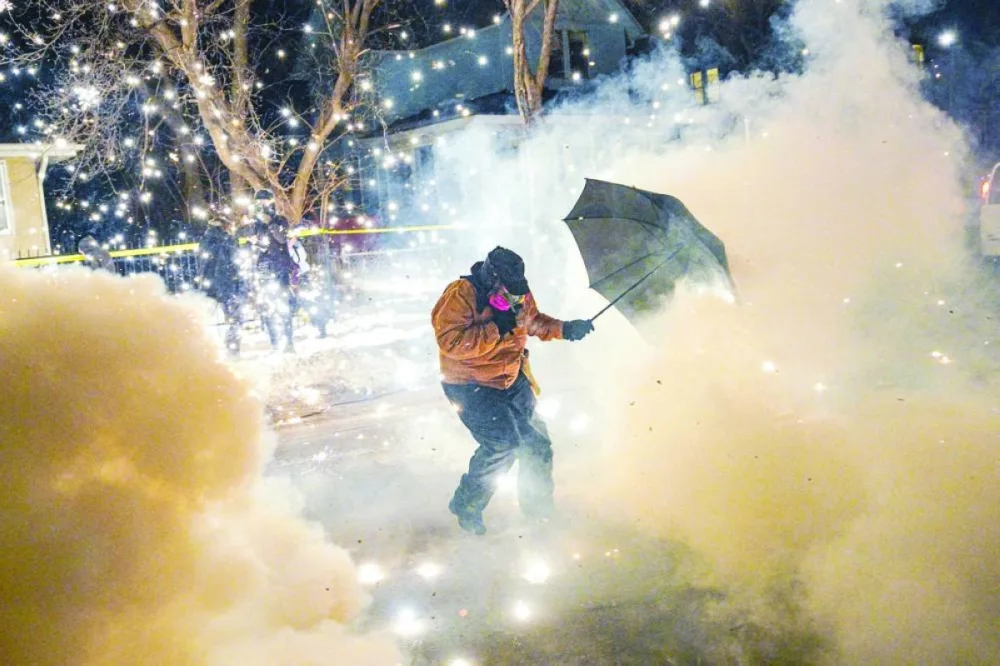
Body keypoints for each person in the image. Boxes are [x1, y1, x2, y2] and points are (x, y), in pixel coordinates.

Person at [431, 246, 595, 535]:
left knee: (537, 445)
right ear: (492, 280)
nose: (516, 297)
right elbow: (452, 344)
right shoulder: (460, 295)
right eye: (508, 290)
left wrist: (565, 329)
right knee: (502, 445)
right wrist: (496, 327)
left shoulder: (518, 292)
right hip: (470, 385)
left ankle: (539, 514)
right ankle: (466, 505)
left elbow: (532, 321)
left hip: (511, 378)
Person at [198, 216, 245, 358]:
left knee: (205, 319)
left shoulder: (205, 241)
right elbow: (235, 262)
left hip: (210, 285)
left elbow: (202, 263)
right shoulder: (228, 240)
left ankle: (201, 349)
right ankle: (232, 348)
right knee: (235, 318)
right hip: (227, 284)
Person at [256, 218, 298, 353]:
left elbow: (280, 241)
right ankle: (279, 343)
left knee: (280, 311)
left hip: (277, 278)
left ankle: (286, 343)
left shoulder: (276, 233)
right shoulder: (269, 237)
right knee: (273, 312)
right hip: (271, 278)